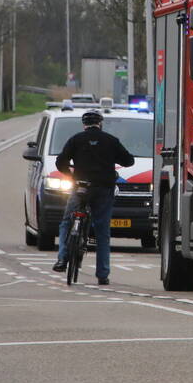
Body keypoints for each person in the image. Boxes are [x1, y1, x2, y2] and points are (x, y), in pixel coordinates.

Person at [52, 109, 135, 285]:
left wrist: (70, 174)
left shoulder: (75, 139)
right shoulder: (111, 141)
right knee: (102, 230)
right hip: (103, 188)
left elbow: (60, 162)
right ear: (100, 123)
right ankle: (102, 274)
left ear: (84, 124)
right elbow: (129, 161)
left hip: (80, 187)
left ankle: (62, 259)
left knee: (66, 222)